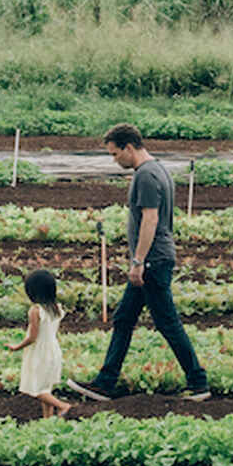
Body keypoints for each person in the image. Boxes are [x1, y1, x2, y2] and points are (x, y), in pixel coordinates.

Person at [69, 123, 210, 403]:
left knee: (168, 323)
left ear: (129, 148)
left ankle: (198, 382)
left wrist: (138, 261)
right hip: (155, 259)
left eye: (114, 154)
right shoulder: (159, 170)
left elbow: (151, 218)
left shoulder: (145, 176)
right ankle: (105, 382)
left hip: (152, 262)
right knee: (123, 319)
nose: (114, 160)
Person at [11, 268, 72, 418]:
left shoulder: (35, 311)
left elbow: (33, 337)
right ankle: (47, 420)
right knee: (46, 389)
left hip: (40, 352)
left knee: (35, 389)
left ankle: (63, 406)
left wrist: (17, 347)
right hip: (53, 349)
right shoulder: (57, 308)